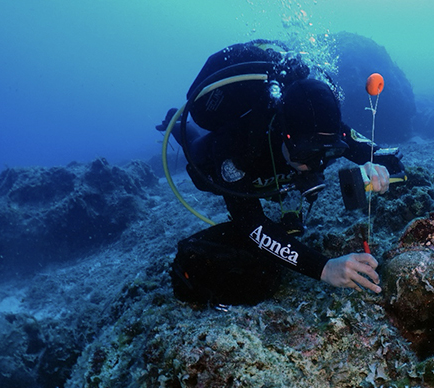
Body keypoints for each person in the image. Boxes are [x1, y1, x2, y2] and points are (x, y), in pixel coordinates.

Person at [157, 40, 405, 306]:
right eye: (305, 154)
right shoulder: (236, 147)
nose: (313, 166)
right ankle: (177, 123)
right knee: (195, 148)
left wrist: (378, 169)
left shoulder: (329, 129)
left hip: (276, 173)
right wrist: (324, 268)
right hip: (226, 168)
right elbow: (250, 223)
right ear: (283, 134)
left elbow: (390, 159)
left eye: (326, 153)